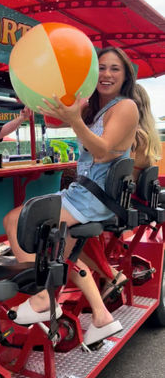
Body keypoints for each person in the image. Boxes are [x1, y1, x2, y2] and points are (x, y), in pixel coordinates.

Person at [3, 46, 139, 346]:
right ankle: (102, 318)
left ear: (125, 74)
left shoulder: (125, 106)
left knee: (15, 219)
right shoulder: (97, 107)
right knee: (60, 254)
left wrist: (75, 120)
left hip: (94, 198)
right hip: (88, 194)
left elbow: (102, 152)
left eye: (114, 68)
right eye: (101, 67)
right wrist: (37, 103)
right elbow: (60, 116)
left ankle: (40, 298)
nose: (106, 74)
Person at [80, 83, 162, 302]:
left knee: (72, 227)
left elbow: (102, 161)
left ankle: (109, 275)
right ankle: (105, 274)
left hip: (119, 202)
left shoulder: (133, 136)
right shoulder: (147, 135)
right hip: (129, 200)